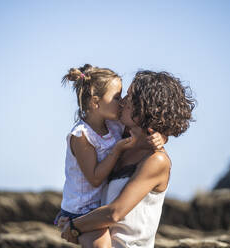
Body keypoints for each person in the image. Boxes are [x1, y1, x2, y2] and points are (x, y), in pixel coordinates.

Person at [61, 70, 195, 247]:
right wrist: (75, 224)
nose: (122, 101)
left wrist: (74, 226)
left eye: (129, 96)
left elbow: (114, 213)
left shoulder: (156, 160)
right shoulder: (120, 143)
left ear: (145, 107)